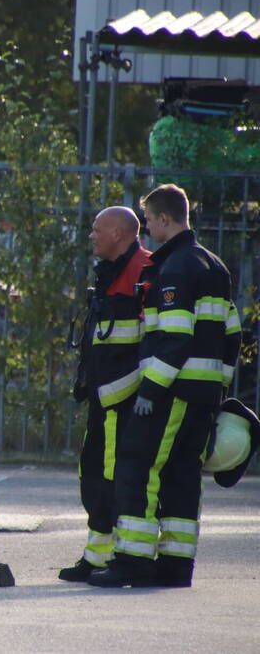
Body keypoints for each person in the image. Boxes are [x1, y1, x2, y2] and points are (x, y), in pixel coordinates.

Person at [89, 184, 241, 588]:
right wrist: (219, 388)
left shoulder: (173, 268)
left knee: (137, 467)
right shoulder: (213, 264)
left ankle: (131, 561)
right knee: (181, 477)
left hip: (172, 390)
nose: (148, 228)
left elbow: (174, 335)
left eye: (150, 220)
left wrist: (150, 390)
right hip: (203, 394)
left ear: (163, 220)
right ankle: (175, 564)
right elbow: (232, 334)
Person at [59, 206, 151, 582]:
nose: (91, 237)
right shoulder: (115, 271)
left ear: (119, 233)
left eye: (98, 230)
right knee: (93, 475)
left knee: (112, 477)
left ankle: (116, 557)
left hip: (126, 403)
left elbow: (153, 342)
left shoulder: (146, 271)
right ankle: (97, 555)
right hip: (104, 399)